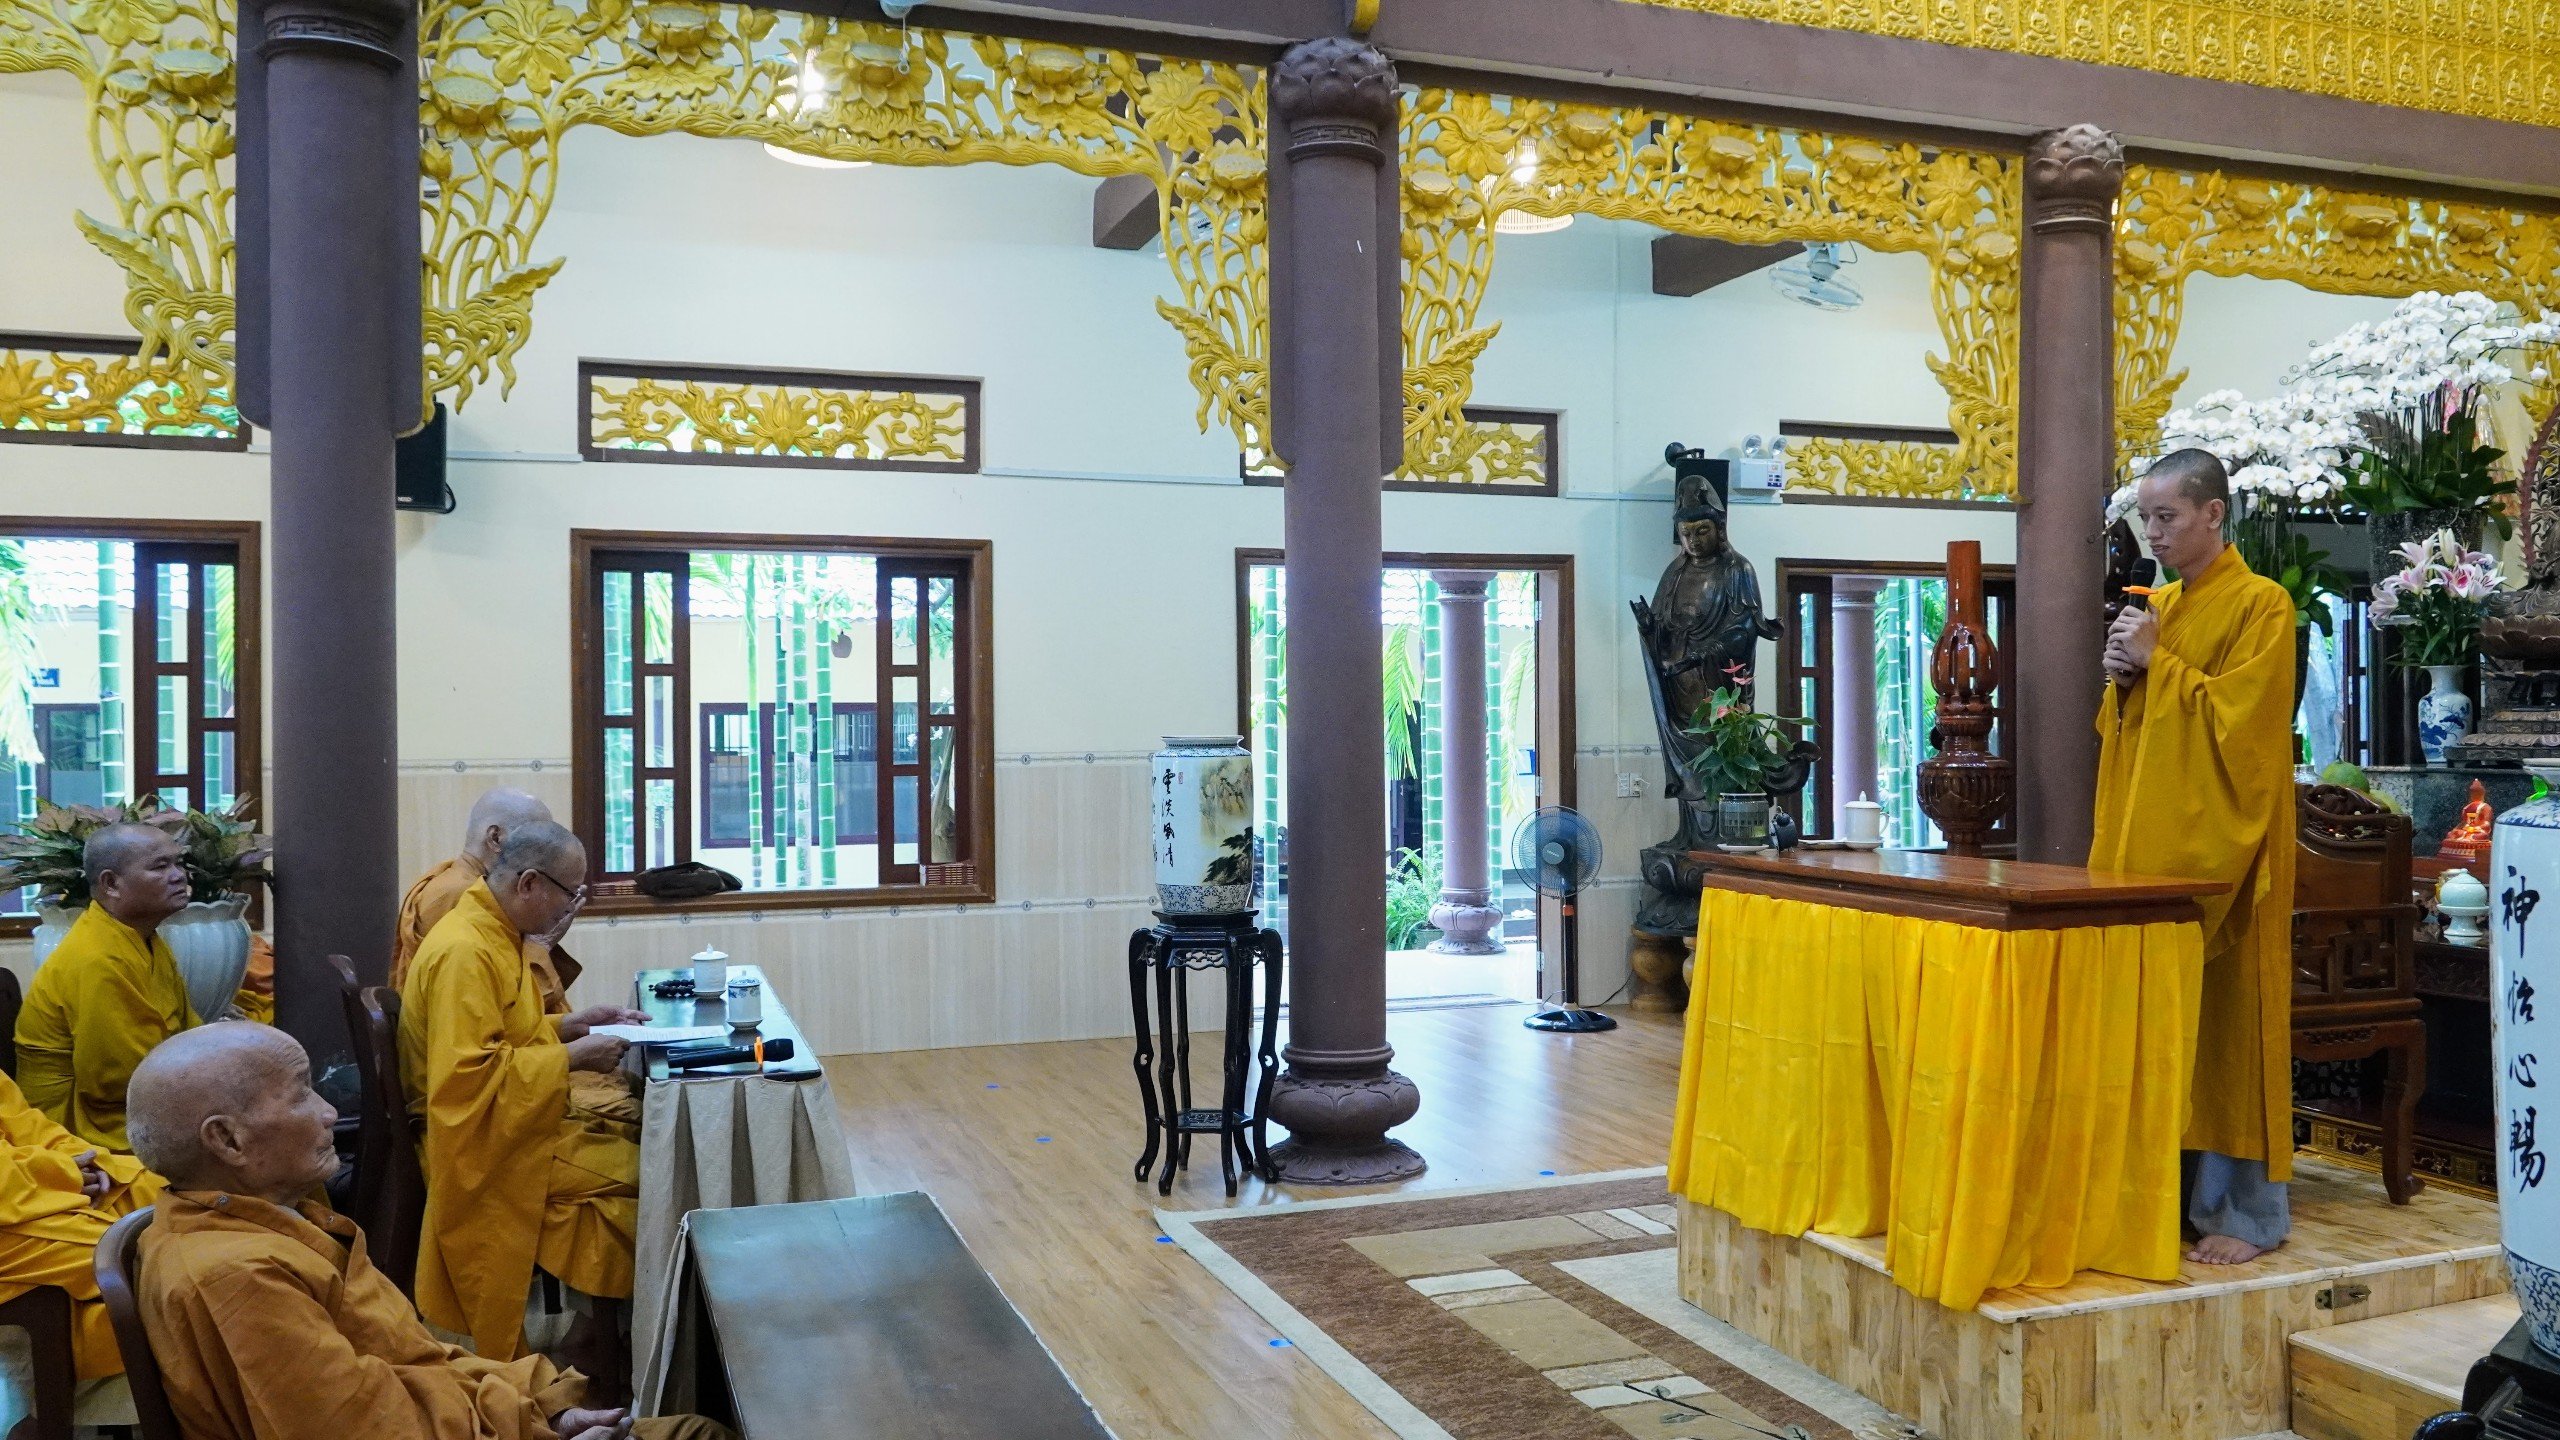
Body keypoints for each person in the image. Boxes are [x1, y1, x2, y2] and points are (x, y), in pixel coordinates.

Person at [126, 1024, 731, 1440]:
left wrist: (540, 1411)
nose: (330, 1113)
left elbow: (411, 1361)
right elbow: (364, 1430)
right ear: (227, 1139)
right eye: (301, 1096)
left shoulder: (278, 1219)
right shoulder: (238, 1277)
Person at [2091, 448, 2299, 1265]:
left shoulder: (2262, 604)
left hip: (2226, 854)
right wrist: (2125, 681)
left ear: (2213, 513)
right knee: (2156, 1026)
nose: (2153, 532)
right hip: (2155, 851)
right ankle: (2158, 1193)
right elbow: (2130, 733)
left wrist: (2160, 664)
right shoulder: (2162, 605)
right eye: (2146, 517)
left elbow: (2246, 729)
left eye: (2166, 517)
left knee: (2228, 1029)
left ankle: (2244, 1213)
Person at [399, 822, 639, 1364]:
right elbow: (466, 1081)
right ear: (529, 883)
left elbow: (507, 1034)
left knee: (641, 1137)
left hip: (515, 1119)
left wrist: (571, 1026)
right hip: (481, 1146)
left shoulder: (493, 932)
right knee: (656, 1175)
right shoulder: (466, 950)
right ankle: (596, 1340)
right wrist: (573, 1058)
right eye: (568, 893)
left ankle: (599, 1330)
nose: (570, 908)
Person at [17, 824, 204, 1151]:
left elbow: (189, 1031)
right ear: (111, 883)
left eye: (178, 863)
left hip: (148, 1100)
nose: (179, 876)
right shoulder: (98, 958)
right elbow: (118, 1083)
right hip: (77, 1127)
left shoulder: (142, 939)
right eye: (160, 867)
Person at [0, 1065, 160, 1397]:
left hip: (34, 1188)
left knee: (174, 1193)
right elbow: (110, 1072)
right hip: (11, 1219)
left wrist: (84, 1161)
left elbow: (30, 1126)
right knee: (148, 1266)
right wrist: (63, 1173)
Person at [395, 788, 579, 1006]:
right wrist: (541, 944)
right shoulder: (459, 895)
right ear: (495, 838)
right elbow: (502, 1003)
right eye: (535, 841)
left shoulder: (478, 887)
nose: (548, 854)